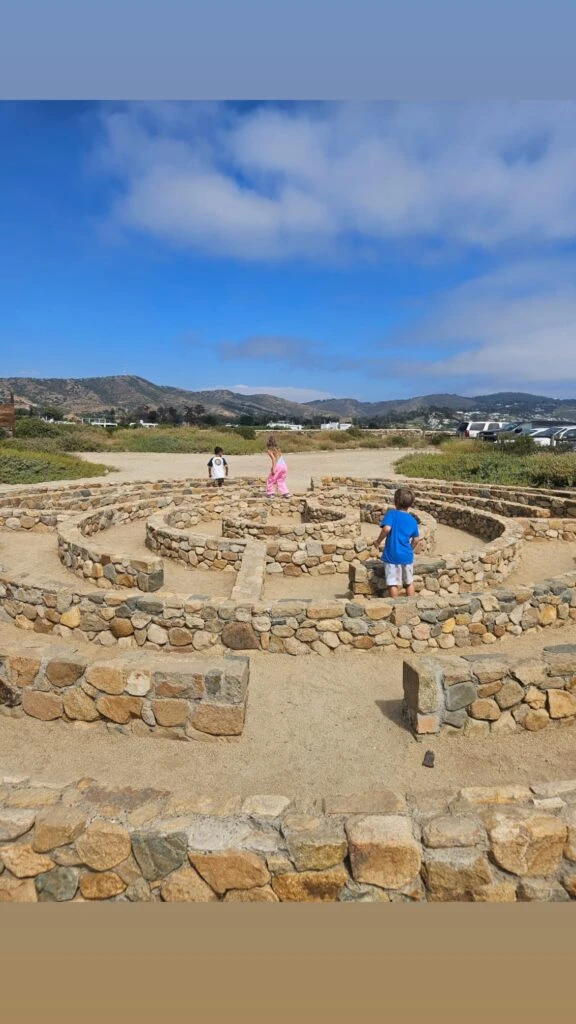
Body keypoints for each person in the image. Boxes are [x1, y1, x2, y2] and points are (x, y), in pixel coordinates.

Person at [374, 486, 420, 598]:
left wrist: (378, 541)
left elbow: (386, 529)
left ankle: (395, 604)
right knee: (409, 582)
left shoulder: (392, 514)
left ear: (395, 501)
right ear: (411, 504)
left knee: (392, 583)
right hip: (407, 556)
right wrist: (410, 549)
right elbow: (416, 539)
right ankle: (412, 602)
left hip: (392, 556)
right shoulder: (412, 520)